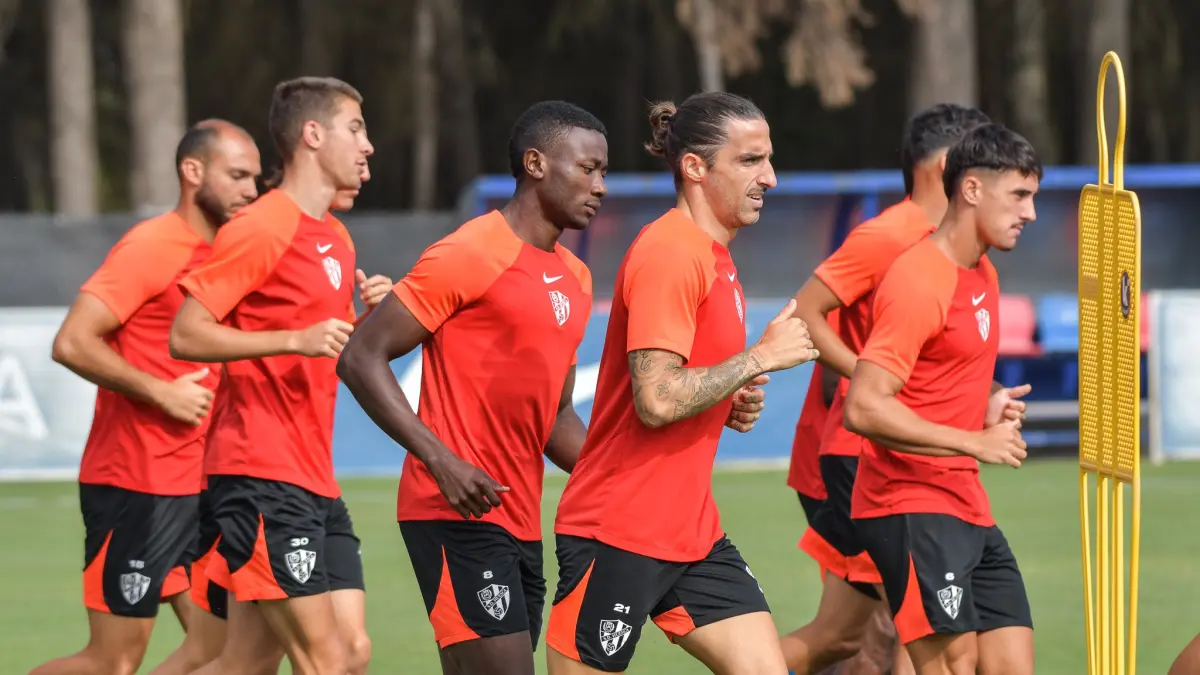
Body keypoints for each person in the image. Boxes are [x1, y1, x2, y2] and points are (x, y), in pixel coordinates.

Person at [545, 92, 816, 675]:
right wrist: (759, 358)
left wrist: (727, 398)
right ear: (695, 167)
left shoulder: (715, 256)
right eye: (750, 161)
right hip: (617, 530)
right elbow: (657, 398)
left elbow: (678, 384)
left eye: (768, 159)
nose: (770, 177)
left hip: (691, 533)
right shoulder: (671, 253)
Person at [336, 100, 609, 675]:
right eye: (587, 169)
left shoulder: (577, 279)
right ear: (535, 164)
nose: (600, 186)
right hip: (452, 511)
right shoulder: (469, 251)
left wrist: (616, 480)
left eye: (602, 171)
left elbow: (556, 417)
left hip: (518, 517)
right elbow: (361, 357)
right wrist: (441, 461)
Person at [31, 120, 261, 675]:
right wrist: (160, 392)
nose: (251, 191)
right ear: (192, 171)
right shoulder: (153, 245)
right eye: (237, 176)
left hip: (204, 484)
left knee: (216, 653)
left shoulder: (229, 253)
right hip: (137, 481)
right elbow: (72, 341)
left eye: (255, 178)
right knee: (111, 661)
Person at [169, 76, 381, 675]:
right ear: (312, 134)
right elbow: (186, 334)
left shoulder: (335, 236)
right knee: (327, 661)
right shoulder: (262, 226)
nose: (368, 145)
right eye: (355, 128)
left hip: (313, 476)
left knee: (299, 658)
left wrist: (368, 319)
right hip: (261, 473)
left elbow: (325, 344)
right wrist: (292, 339)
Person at [781, 104, 994, 675]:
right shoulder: (892, 235)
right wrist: (874, 380)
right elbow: (803, 314)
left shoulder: (956, 249)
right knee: (911, 634)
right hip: (863, 458)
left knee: (851, 636)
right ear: (950, 167)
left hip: (899, 458)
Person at [844, 122, 1041, 675]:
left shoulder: (983, 272)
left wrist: (989, 400)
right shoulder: (919, 278)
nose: (1029, 213)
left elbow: (940, 373)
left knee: (1011, 666)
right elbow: (864, 406)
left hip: (966, 502)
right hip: (909, 504)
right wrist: (973, 441)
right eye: (1019, 195)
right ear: (971, 189)